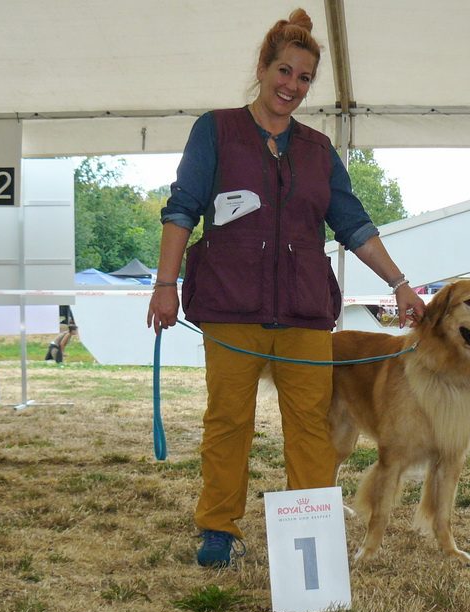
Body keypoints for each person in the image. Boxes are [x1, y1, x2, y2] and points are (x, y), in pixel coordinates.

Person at [146, 9, 426, 569]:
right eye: (284, 71)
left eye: (303, 78)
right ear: (263, 67)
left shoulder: (319, 149)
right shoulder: (216, 130)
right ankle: (219, 528)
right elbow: (181, 209)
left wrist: (399, 284)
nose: (291, 86)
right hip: (230, 306)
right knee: (228, 420)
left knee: (311, 429)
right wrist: (165, 283)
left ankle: (313, 536)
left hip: (303, 311)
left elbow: (353, 223)